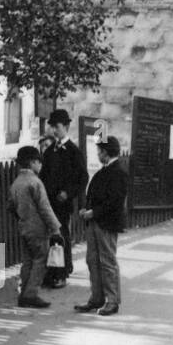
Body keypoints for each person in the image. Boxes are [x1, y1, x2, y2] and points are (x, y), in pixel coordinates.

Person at [75, 135, 127, 317]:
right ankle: (96, 298)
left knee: (107, 262)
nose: (97, 154)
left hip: (106, 223)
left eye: (99, 151)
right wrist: (87, 209)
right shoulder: (106, 170)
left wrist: (93, 212)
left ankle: (112, 301)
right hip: (96, 222)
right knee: (93, 260)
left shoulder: (118, 171)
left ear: (105, 152)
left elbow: (114, 201)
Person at [9, 145, 64, 309]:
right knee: (40, 260)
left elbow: (10, 206)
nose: (41, 165)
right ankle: (31, 294)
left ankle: (23, 293)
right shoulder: (35, 182)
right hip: (38, 229)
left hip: (24, 227)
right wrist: (55, 228)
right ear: (33, 162)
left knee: (27, 261)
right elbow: (45, 208)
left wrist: (22, 218)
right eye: (39, 162)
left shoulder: (16, 183)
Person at [40, 109, 88, 288]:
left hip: (63, 203)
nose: (54, 131)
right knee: (51, 238)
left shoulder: (74, 152)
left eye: (57, 127)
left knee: (60, 237)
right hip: (49, 202)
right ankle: (53, 271)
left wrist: (68, 193)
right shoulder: (49, 152)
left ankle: (61, 274)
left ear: (66, 126)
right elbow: (43, 176)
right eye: (52, 127)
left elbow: (83, 178)